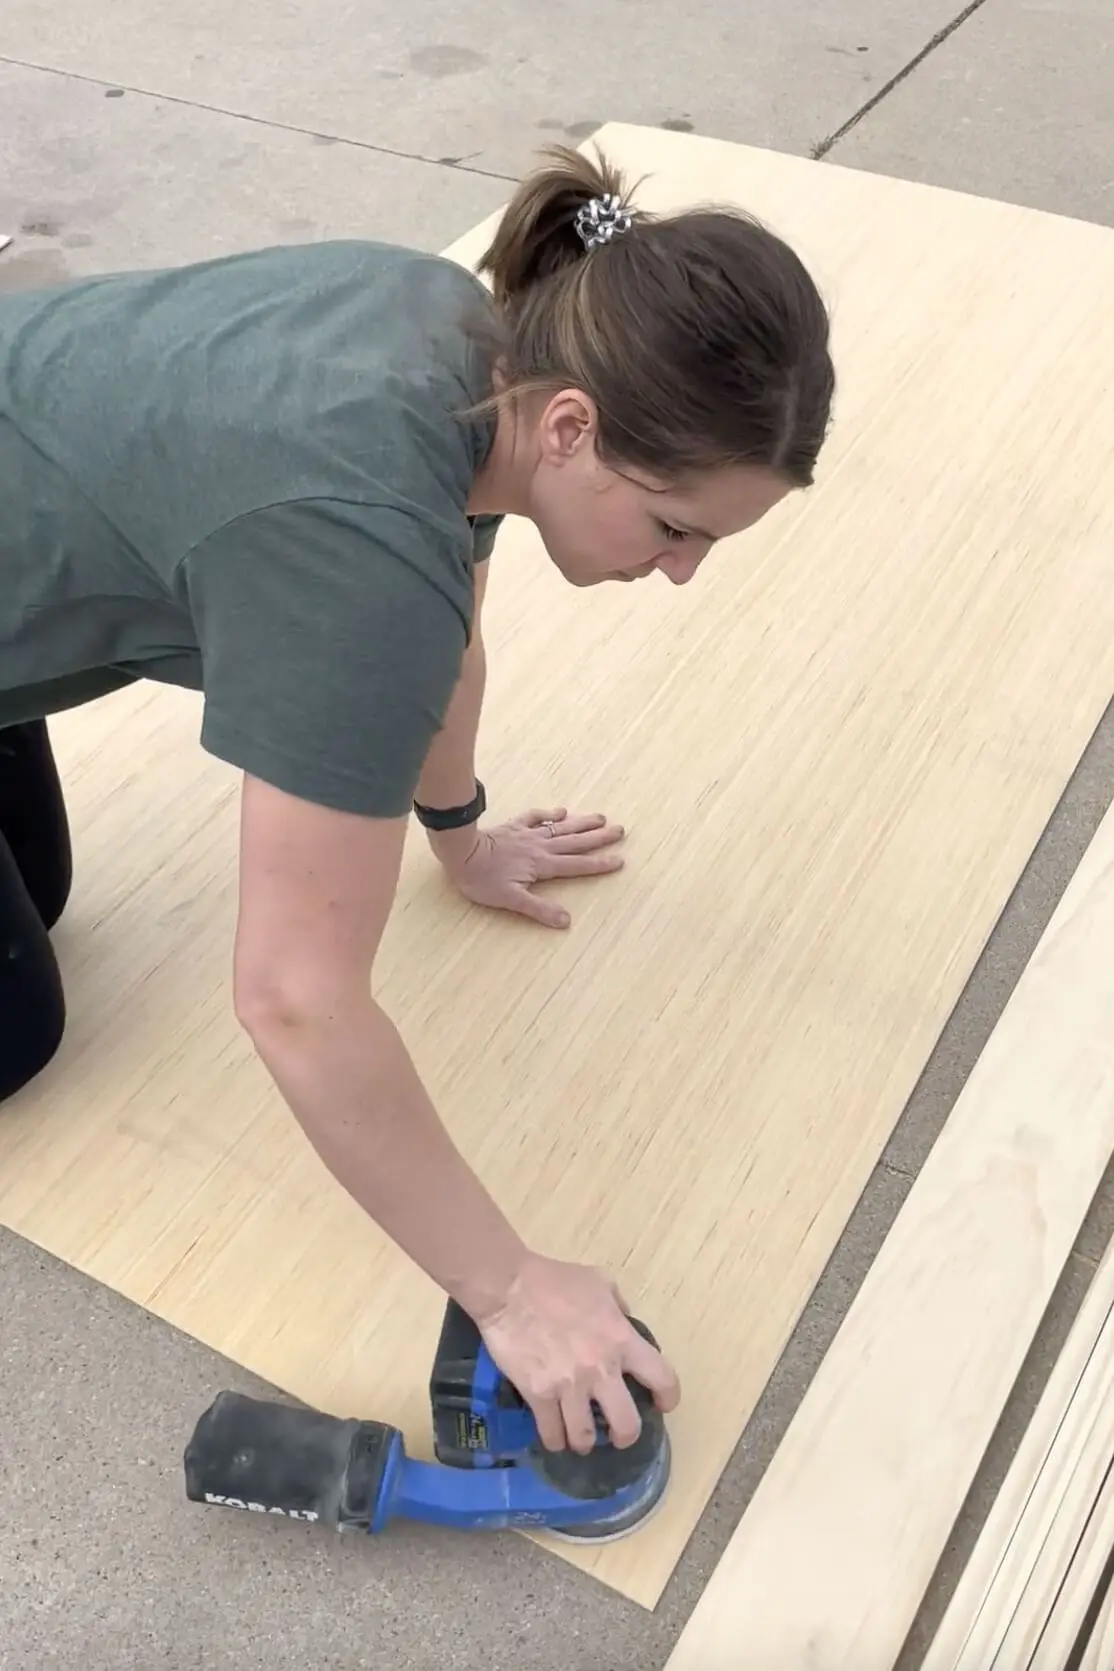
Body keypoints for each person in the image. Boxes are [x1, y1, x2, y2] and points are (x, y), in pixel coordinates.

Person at [0, 144, 835, 1458]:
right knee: (18, 1029)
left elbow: (446, 635)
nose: (682, 575)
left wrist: (458, 832)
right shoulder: (361, 549)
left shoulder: (473, 342)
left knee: (37, 901)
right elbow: (291, 997)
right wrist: (509, 1289)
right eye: (679, 527)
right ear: (572, 429)